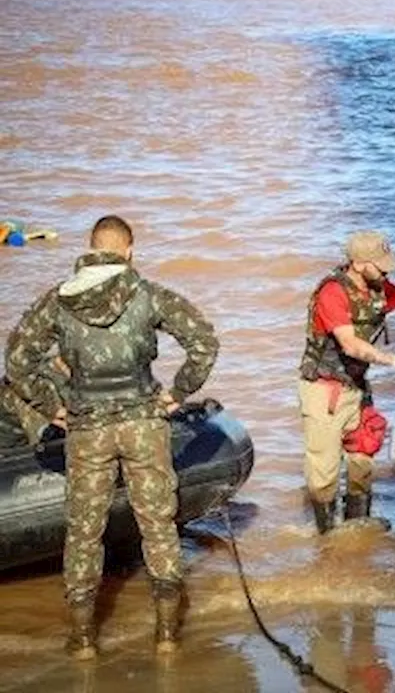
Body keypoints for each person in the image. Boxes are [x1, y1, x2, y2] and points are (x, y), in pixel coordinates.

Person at [4, 215, 218, 658]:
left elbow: (18, 358)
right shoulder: (147, 294)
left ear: (90, 248)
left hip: (87, 427)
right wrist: (179, 392)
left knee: (84, 530)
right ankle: (166, 634)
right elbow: (203, 340)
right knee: (157, 523)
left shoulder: (58, 300)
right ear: (129, 250)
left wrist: (51, 406)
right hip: (143, 421)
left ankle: (83, 639)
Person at [298, 231, 395, 534]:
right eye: (381, 265)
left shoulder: (378, 287)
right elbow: (350, 345)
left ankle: (357, 531)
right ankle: (327, 538)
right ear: (359, 264)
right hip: (326, 389)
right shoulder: (332, 293)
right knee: (324, 474)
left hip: (357, 386)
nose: (388, 271)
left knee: (362, 461)